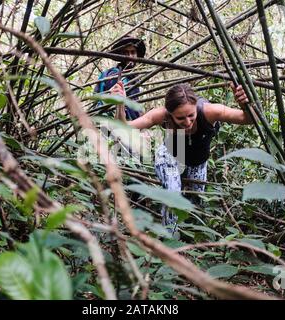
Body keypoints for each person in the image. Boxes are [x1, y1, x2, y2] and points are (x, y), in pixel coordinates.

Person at [112, 82, 251, 235]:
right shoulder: (162, 115)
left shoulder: (210, 111)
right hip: (170, 155)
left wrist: (245, 103)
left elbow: (249, 119)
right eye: (180, 118)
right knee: (173, 194)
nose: (187, 122)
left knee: (194, 203)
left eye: (191, 115)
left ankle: (188, 239)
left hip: (197, 162)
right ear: (170, 114)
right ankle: (170, 240)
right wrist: (120, 104)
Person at [94, 35, 146, 120]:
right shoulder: (114, 75)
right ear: (120, 55)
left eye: (133, 52)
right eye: (126, 53)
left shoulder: (133, 77)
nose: (130, 56)